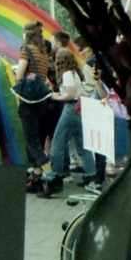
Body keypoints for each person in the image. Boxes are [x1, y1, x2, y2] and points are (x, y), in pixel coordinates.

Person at [42, 47, 96, 196]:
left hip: (70, 109)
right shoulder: (75, 73)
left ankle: (56, 177)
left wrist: (56, 97)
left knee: (57, 145)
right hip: (79, 109)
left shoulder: (66, 74)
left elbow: (70, 94)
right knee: (82, 145)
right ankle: (92, 175)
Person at [15, 20, 54, 191]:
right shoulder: (43, 52)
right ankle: (36, 178)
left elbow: (19, 75)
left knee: (31, 142)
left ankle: (51, 177)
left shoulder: (26, 50)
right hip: (41, 100)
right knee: (38, 138)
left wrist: (17, 76)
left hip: (28, 100)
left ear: (27, 34)